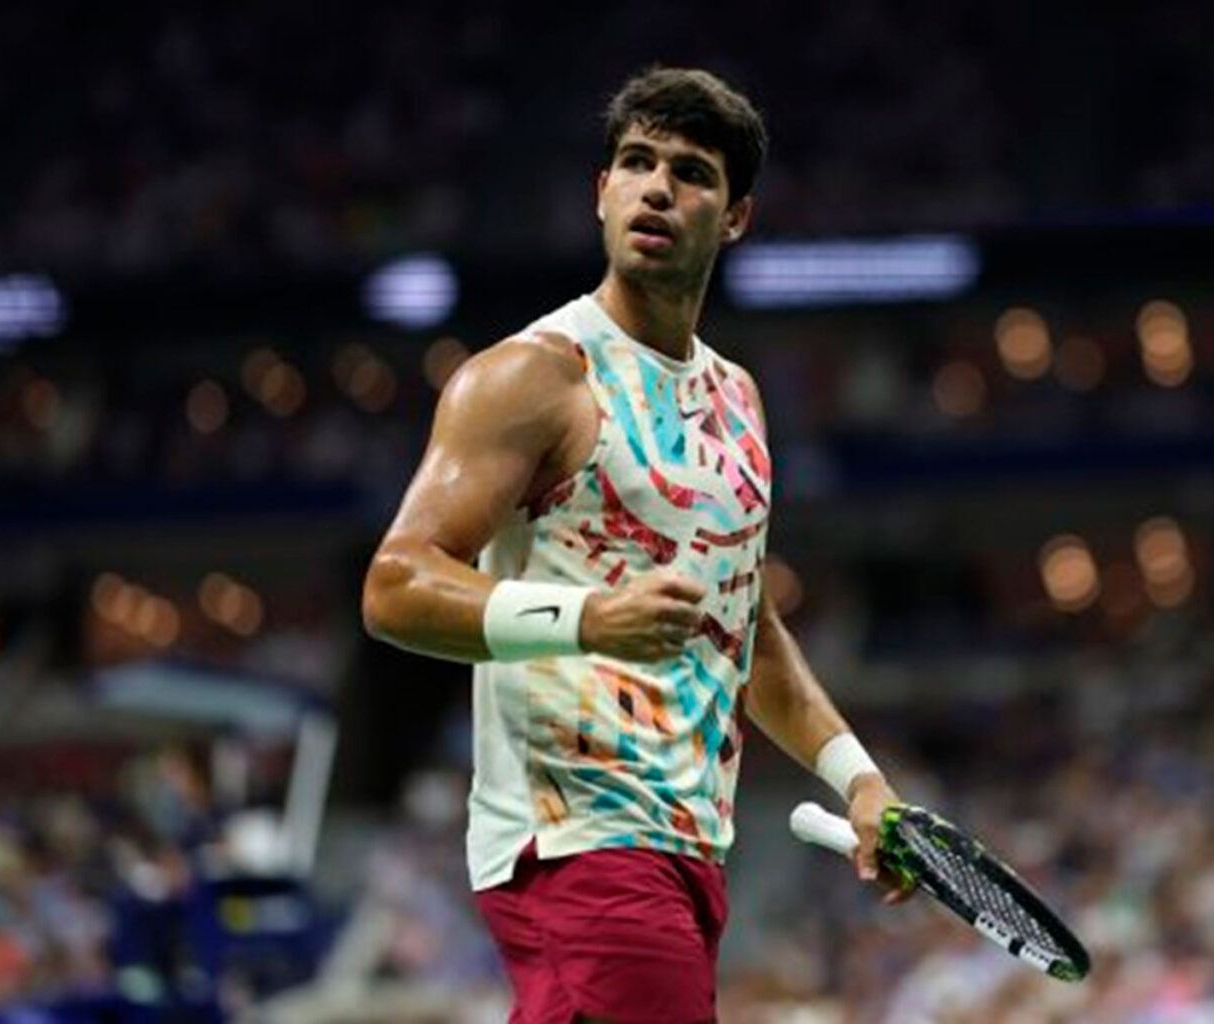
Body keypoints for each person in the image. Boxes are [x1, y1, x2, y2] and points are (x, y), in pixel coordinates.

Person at [362, 66, 907, 1024]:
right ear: (601, 193)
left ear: (734, 217)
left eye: (691, 173)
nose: (657, 186)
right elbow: (396, 587)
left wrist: (858, 780)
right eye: (635, 162)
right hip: (577, 844)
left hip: (689, 847)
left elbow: (741, 622)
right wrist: (589, 617)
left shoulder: (737, 399)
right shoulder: (532, 377)